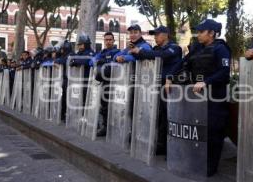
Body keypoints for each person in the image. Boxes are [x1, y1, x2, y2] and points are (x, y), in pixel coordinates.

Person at [166, 19, 231, 176]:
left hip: (215, 95)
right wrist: (169, 77)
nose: (198, 34)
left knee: (214, 131)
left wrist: (206, 82)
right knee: (197, 129)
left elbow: (224, 71)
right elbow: (183, 62)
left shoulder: (221, 49)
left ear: (211, 33)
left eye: (202, 32)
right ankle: (195, 160)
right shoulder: (197, 49)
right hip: (197, 97)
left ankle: (211, 166)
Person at [129, 25, 182, 155]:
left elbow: (161, 56)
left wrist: (140, 51)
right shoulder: (156, 48)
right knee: (157, 114)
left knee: (167, 116)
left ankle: (167, 146)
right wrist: (135, 53)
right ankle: (159, 142)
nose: (155, 37)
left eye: (157, 34)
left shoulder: (174, 48)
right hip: (155, 85)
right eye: (154, 35)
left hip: (169, 86)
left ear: (166, 35)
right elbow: (148, 57)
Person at [90, 32, 120, 136]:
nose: (108, 42)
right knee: (104, 106)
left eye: (110, 40)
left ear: (113, 41)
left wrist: (102, 61)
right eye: (106, 40)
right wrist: (98, 60)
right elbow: (92, 62)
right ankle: (105, 128)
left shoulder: (117, 52)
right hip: (104, 82)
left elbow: (115, 61)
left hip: (115, 83)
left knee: (115, 106)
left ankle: (114, 128)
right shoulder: (101, 52)